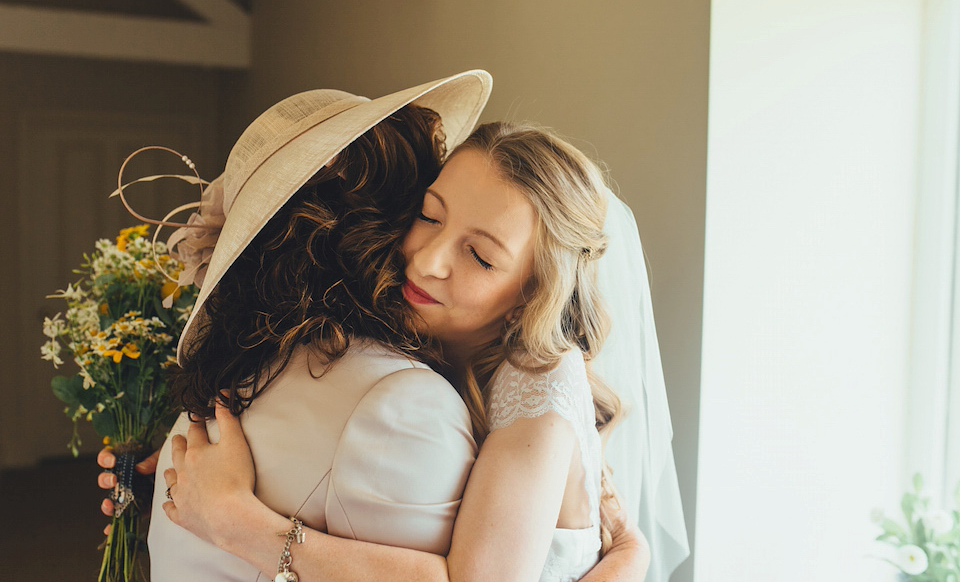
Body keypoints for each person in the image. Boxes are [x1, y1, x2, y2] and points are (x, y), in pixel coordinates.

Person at [100, 72, 652, 581]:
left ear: (532, 294)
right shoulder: (413, 344)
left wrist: (237, 522)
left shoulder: (536, 388)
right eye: (430, 216)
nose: (428, 259)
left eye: (480, 256)